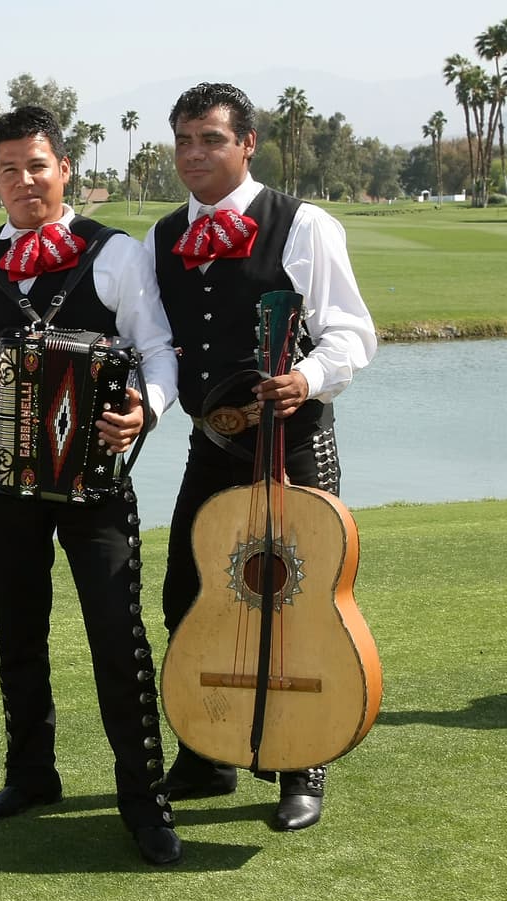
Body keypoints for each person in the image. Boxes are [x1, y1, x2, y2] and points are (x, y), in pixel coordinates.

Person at [0, 107, 183, 866]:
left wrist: (144, 409)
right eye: (9, 168)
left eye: (37, 165)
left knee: (118, 634)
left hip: (98, 481)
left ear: (65, 169)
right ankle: (31, 773)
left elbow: (156, 352)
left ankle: (144, 802)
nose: (24, 181)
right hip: (3, 476)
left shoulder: (114, 254)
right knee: (19, 629)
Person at [146, 82, 377, 831]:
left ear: (248, 145)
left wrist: (305, 377)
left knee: (299, 602)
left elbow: (350, 333)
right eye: (183, 140)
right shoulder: (161, 236)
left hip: (296, 444)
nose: (193, 154)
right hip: (211, 448)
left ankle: (301, 766)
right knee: (186, 594)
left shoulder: (304, 224)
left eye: (210, 139)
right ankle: (206, 753)